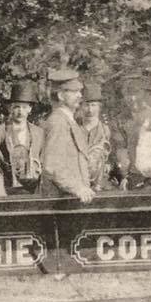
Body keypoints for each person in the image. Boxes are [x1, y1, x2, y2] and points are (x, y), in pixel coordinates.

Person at [40, 69, 95, 203]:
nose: (80, 96)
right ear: (60, 96)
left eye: (79, 91)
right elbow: (52, 166)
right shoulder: (58, 122)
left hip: (70, 199)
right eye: (74, 92)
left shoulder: (68, 121)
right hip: (60, 202)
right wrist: (77, 188)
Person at [0, 80, 44, 193]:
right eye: (17, 107)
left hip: (34, 188)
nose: (20, 111)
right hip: (8, 188)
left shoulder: (39, 132)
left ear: (30, 109)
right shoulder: (0, 131)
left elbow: (44, 158)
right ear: (10, 108)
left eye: (24, 107)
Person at [80, 81, 116, 191]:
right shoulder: (74, 129)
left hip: (102, 184)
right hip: (79, 183)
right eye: (86, 105)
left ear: (99, 107)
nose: (90, 110)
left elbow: (114, 160)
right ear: (81, 106)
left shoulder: (107, 130)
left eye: (93, 105)